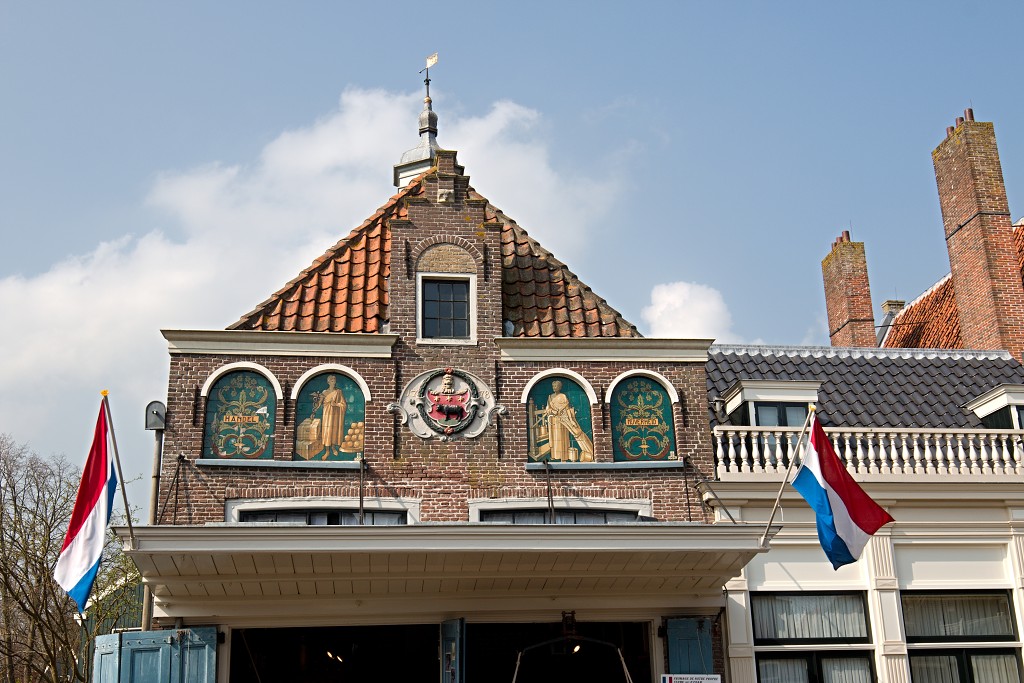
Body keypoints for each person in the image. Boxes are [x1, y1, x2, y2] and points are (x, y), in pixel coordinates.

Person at [543, 380, 594, 462]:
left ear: (559, 387)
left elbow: (567, 409)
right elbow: (547, 409)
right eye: (553, 386)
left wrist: (571, 420)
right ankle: (554, 456)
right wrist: (551, 411)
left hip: (563, 420)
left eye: (556, 386)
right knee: (554, 439)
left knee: (563, 438)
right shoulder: (550, 397)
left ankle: (564, 457)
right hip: (553, 421)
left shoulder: (563, 396)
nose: (554, 387)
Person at [320, 375, 347, 457]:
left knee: (334, 430)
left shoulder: (338, 392)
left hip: (335, 415)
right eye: (332, 381)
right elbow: (320, 404)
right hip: (327, 415)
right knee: (327, 431)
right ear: (328, 382)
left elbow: (344, 405)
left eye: (334, 381)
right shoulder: (324, 392)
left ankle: (333, 447)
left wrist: (336, 404)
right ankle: (327, 451)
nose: (334, 382)